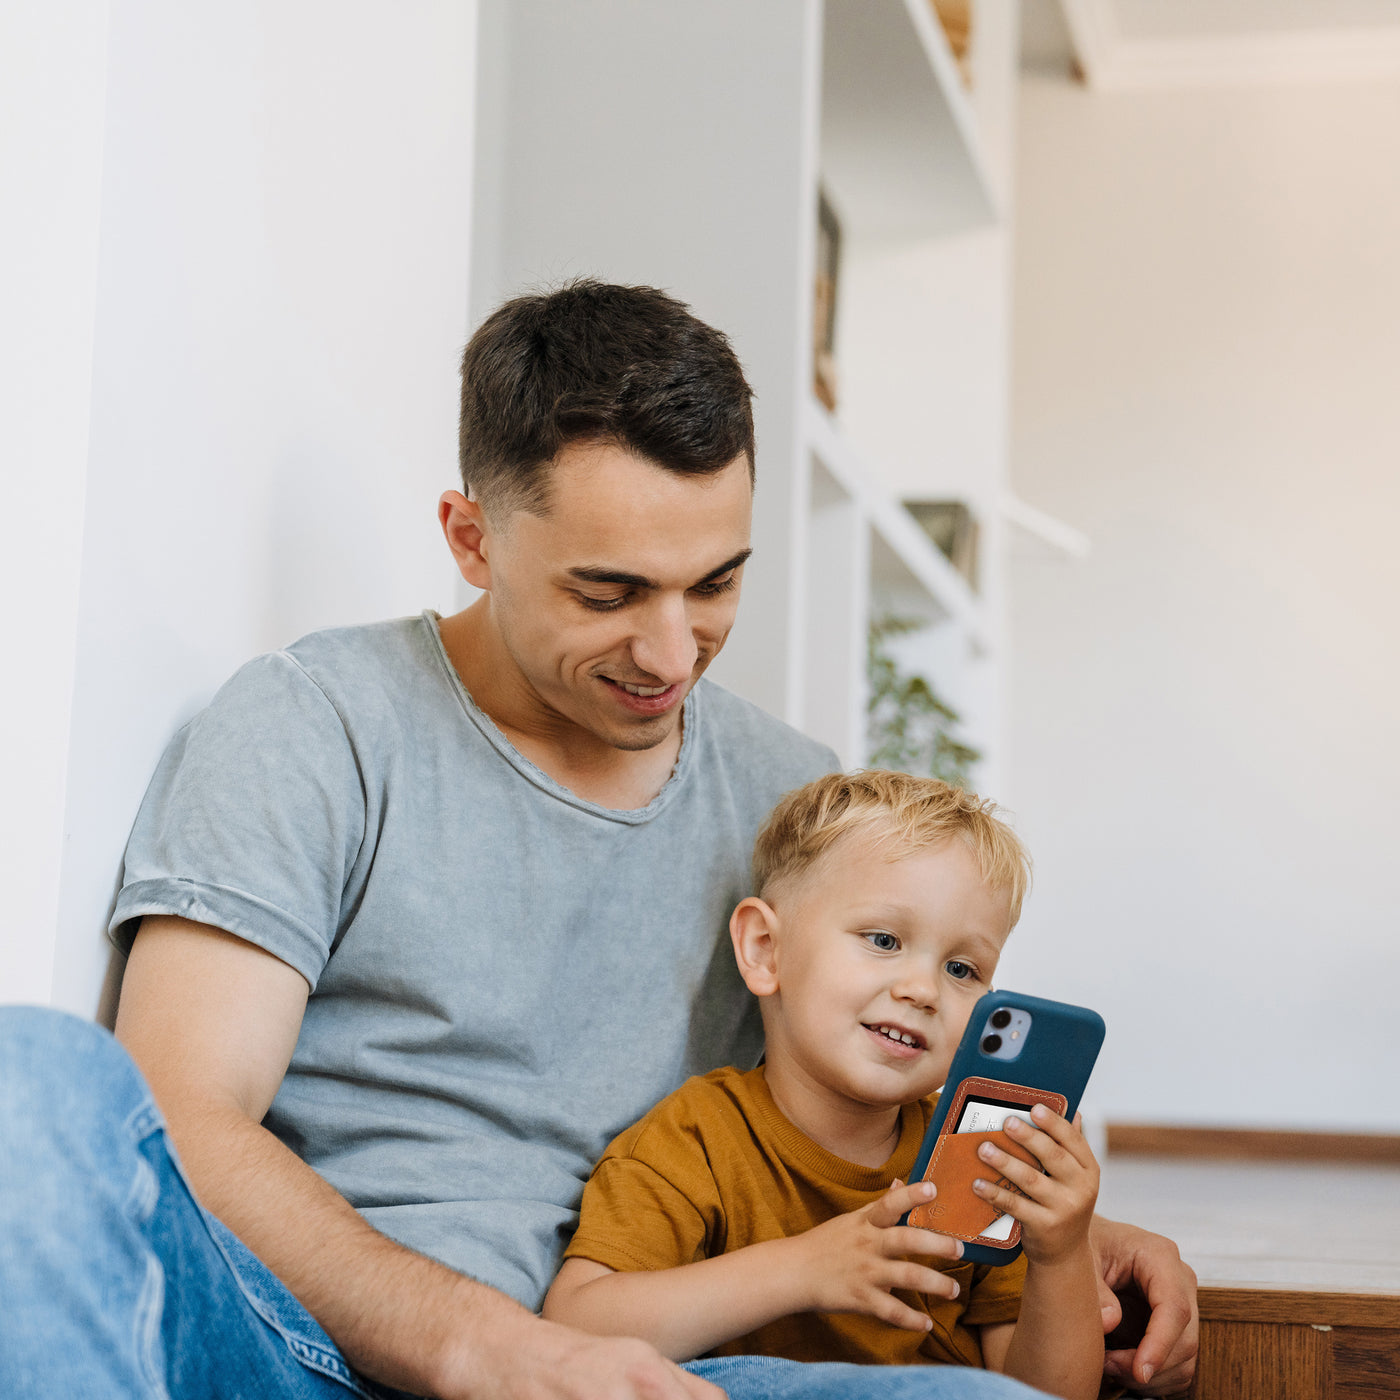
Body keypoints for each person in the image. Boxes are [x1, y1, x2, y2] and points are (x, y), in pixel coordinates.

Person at [0, 281, 1196, 1400]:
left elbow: (866, 1081)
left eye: (714, 583)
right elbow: (184, 1114)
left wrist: (1069, 1233)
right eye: (609, 593)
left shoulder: (785, 790)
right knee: (30, 1078)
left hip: (654, 1369)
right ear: (471, 538)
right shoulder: (316, 724)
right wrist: (492, 1347)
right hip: (303, 1345)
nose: (672, 655)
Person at [544, 772, 1104, 1400]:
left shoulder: (974, 1157)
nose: (923, 990)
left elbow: (1047, 1394)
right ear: (764, 949)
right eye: (884, 940)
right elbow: (573, 1329)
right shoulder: (696, 1137)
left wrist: (1063, 1255)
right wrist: (799, 1270)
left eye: (961, 969)